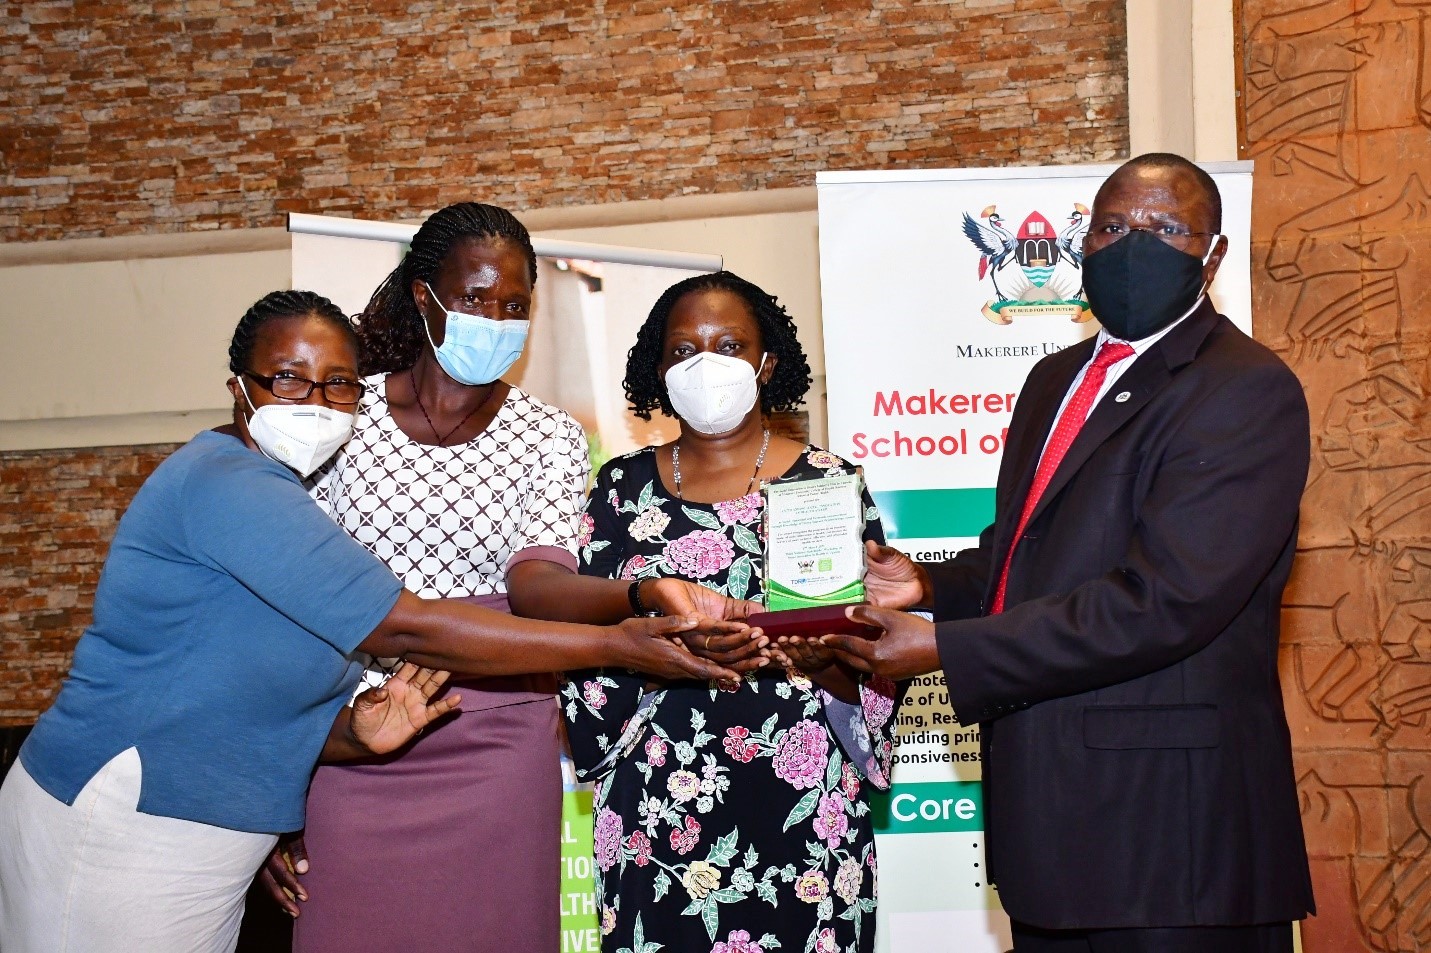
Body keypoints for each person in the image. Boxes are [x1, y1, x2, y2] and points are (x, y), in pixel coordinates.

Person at [0, 290, 739, 953]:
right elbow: (404, 628)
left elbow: (240, 685)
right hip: (128, 823)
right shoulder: (227, 484)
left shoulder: (291, 498)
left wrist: (351, 737)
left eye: (338, 383)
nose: (315, 401)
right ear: (238, 387)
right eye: (287, 377)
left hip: (205, 838)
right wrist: (617, 644)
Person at [821, 154, 1316, 953]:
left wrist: (947, 647)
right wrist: (928, 585)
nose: (1132, 246)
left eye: (1164, 228)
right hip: (1051, 826)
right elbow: (1025, 555)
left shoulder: (1240, 388)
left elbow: (1167, 598)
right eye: (1113, 227)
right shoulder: (1054, 380)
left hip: (1171, 841)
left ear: (1213, 253)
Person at [259, 206, 763, 953]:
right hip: (353, 737)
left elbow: (536, 584)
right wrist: (271, 791)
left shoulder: (548, 434)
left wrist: (638, 595)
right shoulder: (343, 414)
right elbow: (285, 609)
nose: (495, 319)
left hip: (494, 741)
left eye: (514, 305)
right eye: (474, 299)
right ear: (424, 297)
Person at [562, 271, 901, 953]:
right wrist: (660, 647)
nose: (706, 363)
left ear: (765, 361)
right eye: (683, 350)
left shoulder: (829, 481)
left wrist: (821, 658)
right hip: (655, 803)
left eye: (728, 344)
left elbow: (875, 652)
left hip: (805, 803)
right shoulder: (620, 487)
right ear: (659, 369)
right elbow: (584, 638)